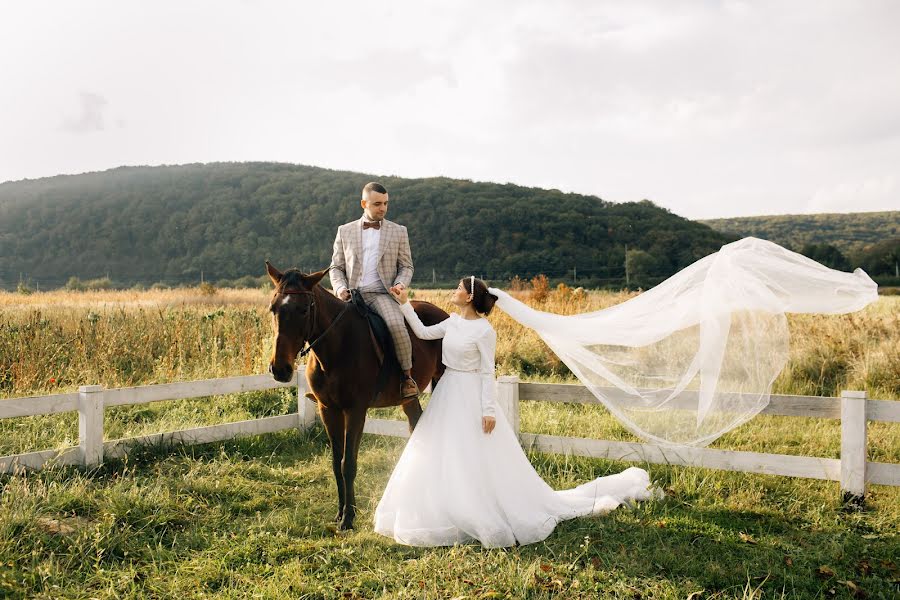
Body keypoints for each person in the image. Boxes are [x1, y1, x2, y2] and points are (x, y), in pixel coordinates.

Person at [374, 276, 653, 548]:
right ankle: (441, 508)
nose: (454, 290)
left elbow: (486, 372)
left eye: (458, 288)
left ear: (470, 296)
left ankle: (479, 508)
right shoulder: (452, 322)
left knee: (473, 452)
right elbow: (423, 333)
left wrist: (488, 410)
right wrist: (404, 303)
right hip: (447, 390)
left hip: (470, 393)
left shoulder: (484, 332)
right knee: (441, 449)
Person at [329, 182, 418, 399]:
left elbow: (406, 266)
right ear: (364, 203)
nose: (383, 208)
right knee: (323, 328)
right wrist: (340, 289)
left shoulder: (399, 231)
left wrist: (399, 284)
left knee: (397, 325)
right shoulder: (344, 231)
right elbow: (336, 267)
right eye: (377, 204)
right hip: (351, 296)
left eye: (386, 204)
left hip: (381, 295)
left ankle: (406, 377)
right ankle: (324, 382)